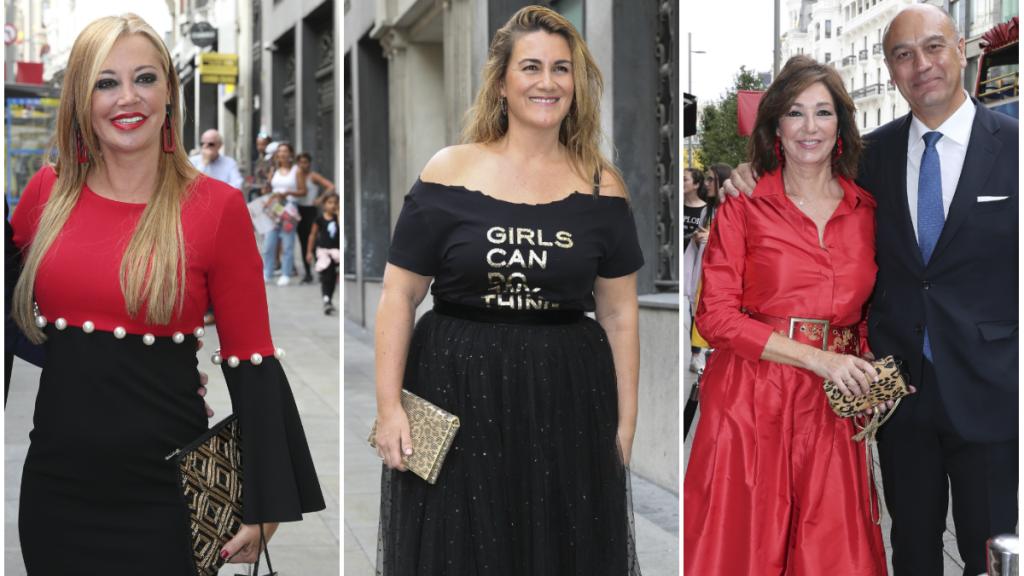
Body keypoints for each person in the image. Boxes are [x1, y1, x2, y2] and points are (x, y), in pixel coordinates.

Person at [8, 14, 325, 573]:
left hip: (168, 495)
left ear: (169, 93)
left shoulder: (217, 208)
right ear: (80, 97)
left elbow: (252, 357)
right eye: (105, 82)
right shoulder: (44, 195)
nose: (127, 98)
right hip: (57, 494)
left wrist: (266, 499)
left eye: (145, 78)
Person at [725, 7, 1018, 574]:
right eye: (903, 55)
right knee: (910, 546)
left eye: (934, 47)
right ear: (888, 69)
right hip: (895, 396)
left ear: (962, 48)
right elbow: (798, 176)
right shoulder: (869, 157)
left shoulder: (1016, 147)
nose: (921, 65)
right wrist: (744, 176)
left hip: (991, 394)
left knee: (989, 551)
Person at [373, 6, 643, 574]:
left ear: (576, 83)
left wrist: (624, 424)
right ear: (501, 82)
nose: (548, 82)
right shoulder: (448, 171)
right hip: (454, 390)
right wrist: (389, 406)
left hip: (566, 398)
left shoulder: (602, 184)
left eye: (562, 69)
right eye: (531, 67)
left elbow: (619, 315)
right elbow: (399, 295)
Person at [684, 55, 888, 574]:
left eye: (823, 113)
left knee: (832, 555)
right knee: (746, 552)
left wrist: (876, 371)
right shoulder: (743, 205)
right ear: (775, 125)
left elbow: (862, 314)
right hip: (750, 401)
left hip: (832, 406)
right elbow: (715, 317)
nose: (809, 127)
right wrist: (818, 360)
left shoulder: (865, 209)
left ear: (841, 125)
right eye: (795, 113)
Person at [261, 141, 306, 286]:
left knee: (287, 242)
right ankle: (267, 272)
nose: (282, 154)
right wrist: (266, 191)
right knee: (269, 242)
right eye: (280, 151)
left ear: (291, 154)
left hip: (289, 208)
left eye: (285, 151)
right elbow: (268, 187)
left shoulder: (296, 171)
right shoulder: (273, 170)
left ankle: (286, 273)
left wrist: (288, 193)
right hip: (274, 207)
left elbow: (303, 191)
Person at [295, 152, 335, 284]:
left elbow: (331, 186)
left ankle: (322, 268)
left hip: (311, 210)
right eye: (300, 162)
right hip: (299, 210)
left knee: (314, 242)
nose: (303, 165)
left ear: (309, 163)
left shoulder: (313, 176)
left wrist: (321, 199)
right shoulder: (296, 175)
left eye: (305, 162)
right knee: (303, 242)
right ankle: (307, 273)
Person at [682, 168, 707, 373]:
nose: (681, 183)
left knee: (694, 310)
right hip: (677, 267)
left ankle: (696, 354)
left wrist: (701, 241)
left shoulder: (705, 210)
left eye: (685, 180)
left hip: (693, 265)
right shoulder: (675, 206)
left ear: (696, 185)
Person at [305, 192, 340, 315]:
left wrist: (339, 214)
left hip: (336, 252)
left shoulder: (337, 218)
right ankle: (326, 299)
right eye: (330, 203)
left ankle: (328, 299)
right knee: (327, 276)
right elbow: (312, 235)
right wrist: (309, 252)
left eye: (335, 203)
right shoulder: (319, 219)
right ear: (324, 204)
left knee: (333, 278)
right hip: (323, 251)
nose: (333, 205)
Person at [248, 132, 273, 201]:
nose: (260, 147)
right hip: (257, 189)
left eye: (263, 144)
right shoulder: (259, 157)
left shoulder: (272, 159)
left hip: (268, 192)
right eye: (258, 144)